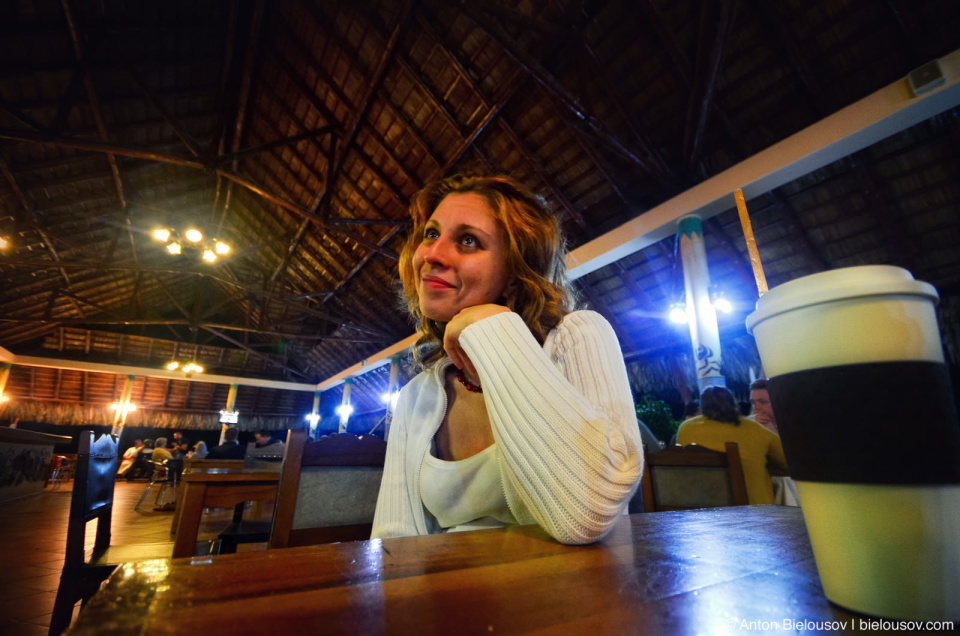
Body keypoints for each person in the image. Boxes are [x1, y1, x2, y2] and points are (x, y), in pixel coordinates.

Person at [371, 174, 642, 546]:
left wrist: (491, 326)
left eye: (468, 240)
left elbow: (588, 515)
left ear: (515, 275)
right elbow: (393, 542)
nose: (431, 254)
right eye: (431, 234)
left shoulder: (579, 338)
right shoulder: (417, 396)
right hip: (451, 596)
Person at [676, 386, 788, 505]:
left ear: (702, 407)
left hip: (701, 512)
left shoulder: (686, 429)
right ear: (734, 404)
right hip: (755, 513)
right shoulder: (754, 429)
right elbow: (788, 465)